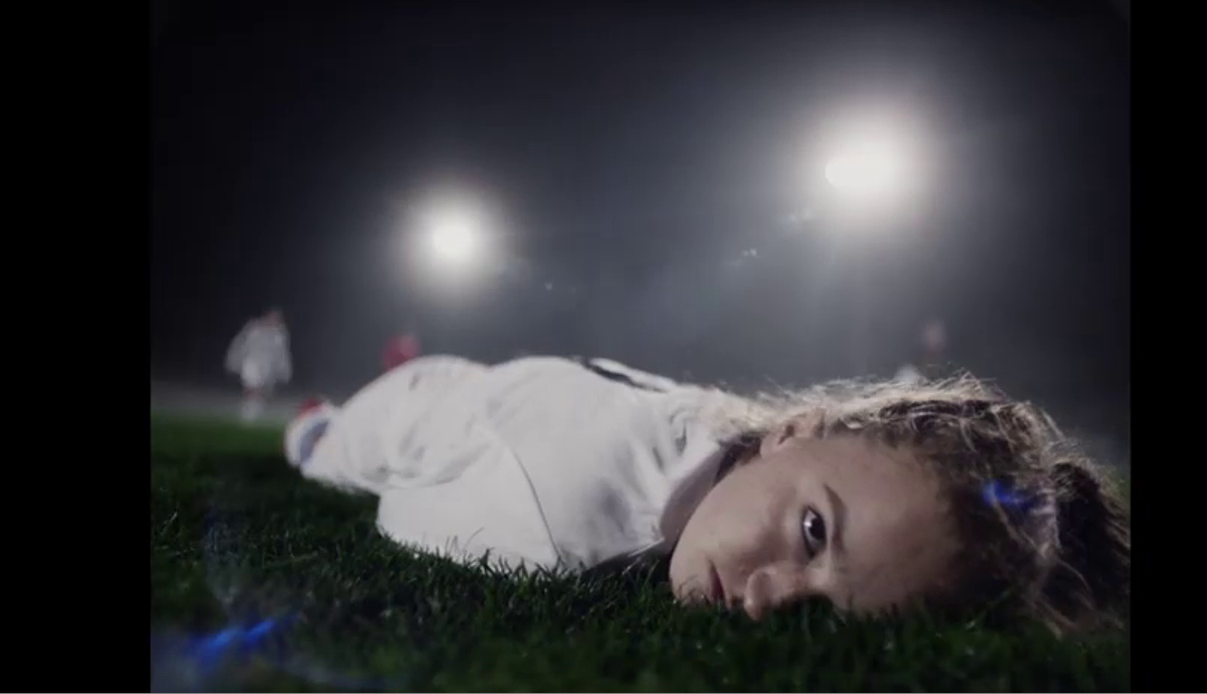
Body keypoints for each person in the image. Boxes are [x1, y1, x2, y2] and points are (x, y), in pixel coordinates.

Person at [284, 354, 1128, 632]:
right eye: (811, 530)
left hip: (511, 387)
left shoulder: (741, 443)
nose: (768, 597)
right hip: (407, 409)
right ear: (796, 431)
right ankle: (314, 424)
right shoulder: (551, 522)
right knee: (322, 450)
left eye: (825, 612)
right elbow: (400, 511)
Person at [225, 308, 293, 422]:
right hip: (251, 361)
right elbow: (240, 343)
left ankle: (254, 407)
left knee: (263, 390)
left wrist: (285, 370)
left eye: (277, 318)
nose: (274, 320)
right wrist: (234, 359)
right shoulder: (253, 328)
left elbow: (282, 353)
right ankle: (248, 411)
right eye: (272, 317)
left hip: (268, 366)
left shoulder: (280, 334)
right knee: (252, 386)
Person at [895, 318, 949, 385]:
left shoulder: (950, 372)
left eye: (939, 333)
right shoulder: (907, 376)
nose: (937, 339)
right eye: (931, 334)